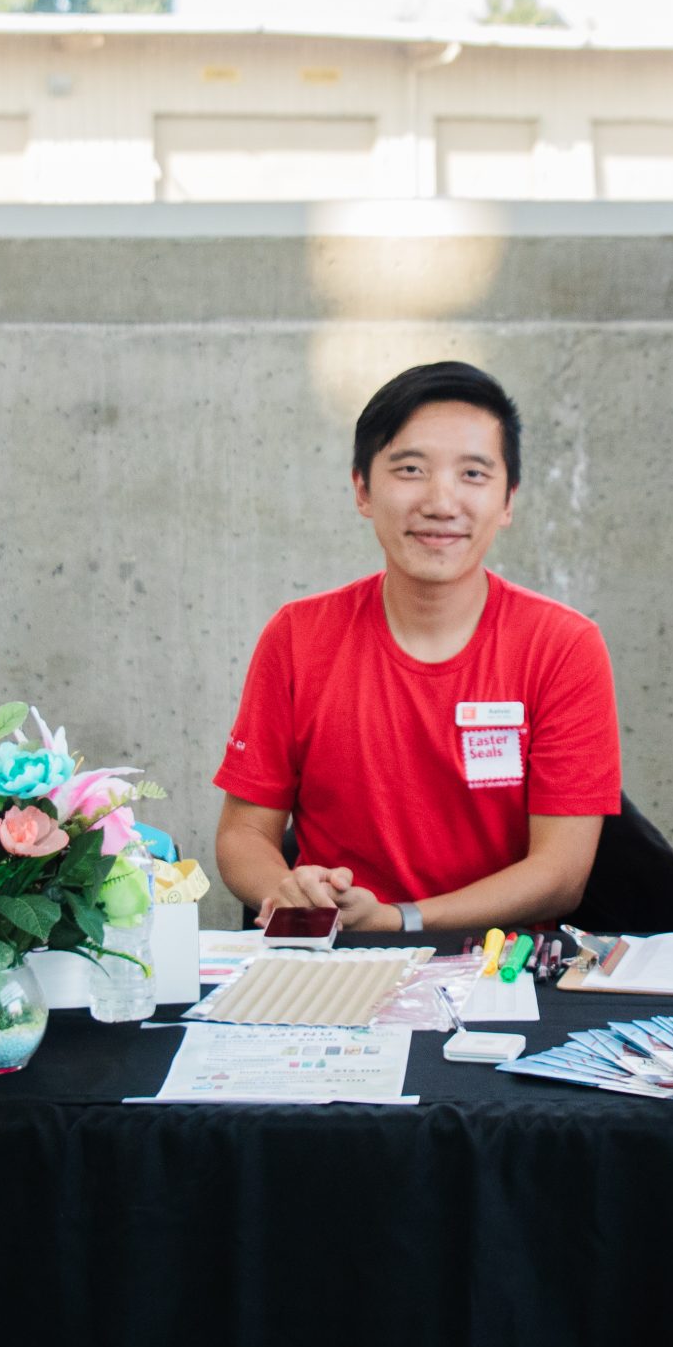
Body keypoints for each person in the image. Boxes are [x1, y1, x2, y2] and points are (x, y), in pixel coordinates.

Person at [215, 361, 621, 934]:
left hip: (498, 965)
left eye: (473, 474)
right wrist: (287, 891)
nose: (441, 502)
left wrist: (400, 920)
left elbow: (560, 874)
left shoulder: (562, 646)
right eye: (410, 469)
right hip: (337, 957)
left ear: (508, 501)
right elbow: (243, 834)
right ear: (362, 489)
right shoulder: (297, 636)